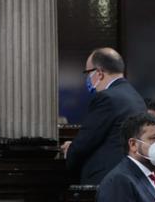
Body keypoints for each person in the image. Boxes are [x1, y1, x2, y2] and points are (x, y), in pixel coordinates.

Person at [61, 47, 146, 184]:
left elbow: (87, 140)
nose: (87, 78)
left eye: (88, 73)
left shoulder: (106, 98)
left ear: (99, 73)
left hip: (105, 179)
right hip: (129, 175)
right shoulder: (136, 97)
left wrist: (70, 150)